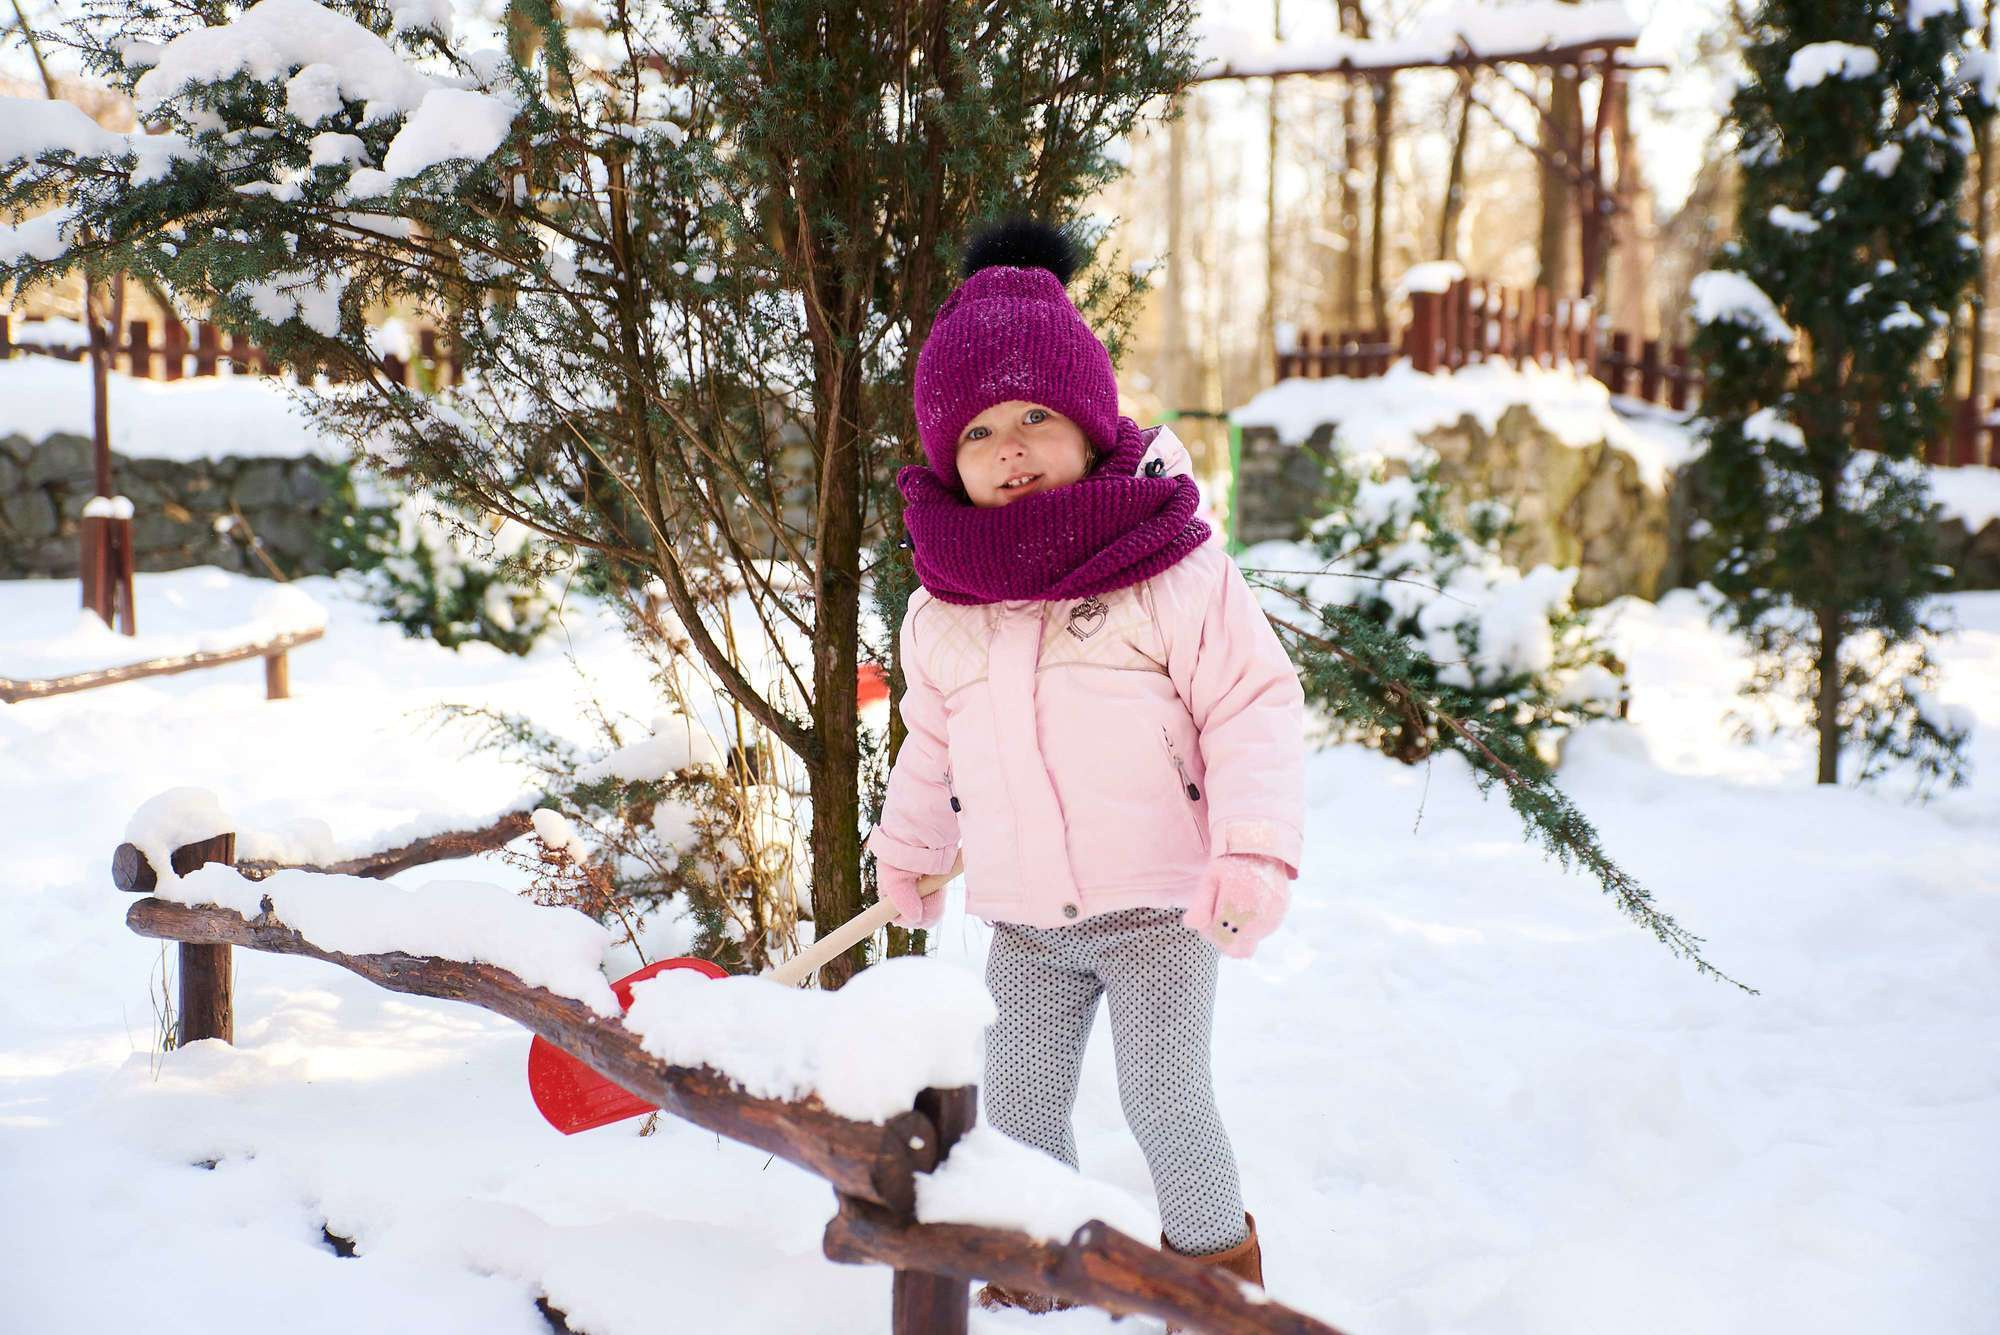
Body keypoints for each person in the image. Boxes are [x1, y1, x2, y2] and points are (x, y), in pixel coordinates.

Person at [866, 218, 1305, 1319]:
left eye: (1035, 417)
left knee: (1164, 1099)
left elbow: (1250, 705)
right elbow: (931, 742)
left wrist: (1250, 854)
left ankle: (1215, 1292)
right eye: (977, 433)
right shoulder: (944, 608)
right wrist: (912, 850)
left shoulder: (1167, 566)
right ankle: (1036, 1274)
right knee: (1015, 1110)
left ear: (1090, 421)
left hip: (1156, 907)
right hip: (1024, 919)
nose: (1008, 448)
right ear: (943, 457)